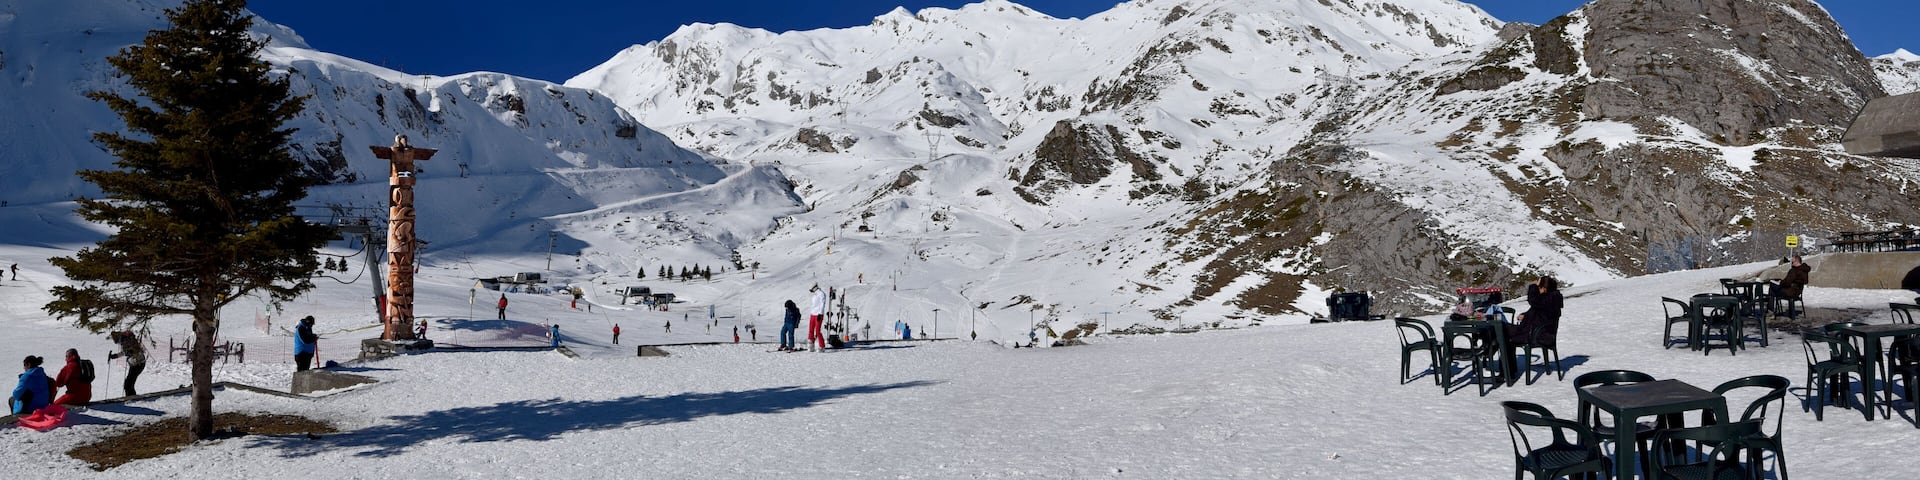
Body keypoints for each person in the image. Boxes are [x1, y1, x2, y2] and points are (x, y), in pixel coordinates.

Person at [1504, 276, 1563, 383]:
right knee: (1504, 329)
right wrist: (1525, 315)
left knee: (1503, 333)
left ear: (1544, 288)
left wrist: (1533, 286)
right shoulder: (1551, 299)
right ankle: (1508, 370)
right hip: (1539, 332)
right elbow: (1540, 313)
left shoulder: (1549, 298)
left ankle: (1507, 372)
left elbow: (1533, 301)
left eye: (1539, 287)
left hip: (1537, 335)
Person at [108, 331, 146, 397]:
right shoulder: (124, 340)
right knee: (128, 383)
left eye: (114, 338)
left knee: (128, 384)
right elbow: (125, 351)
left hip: (138, 364)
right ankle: (131, 397)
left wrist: (130, 354)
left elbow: (135, 351)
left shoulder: (126, 340)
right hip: (135, 364)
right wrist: (116, 356)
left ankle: (131, 398)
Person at [808, 285, 828, 352]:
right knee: (811, 329)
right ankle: (811, 345)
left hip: (818, 314)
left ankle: (822, 347)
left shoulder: (822, 294)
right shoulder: (815, 294)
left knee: (817, 331)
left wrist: (820, 313)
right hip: (813, 313)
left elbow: (822, 304)